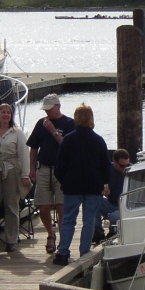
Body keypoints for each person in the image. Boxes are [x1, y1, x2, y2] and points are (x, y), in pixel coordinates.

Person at [53, 103, 110, 266]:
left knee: (69, 219)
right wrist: (104, 182)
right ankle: (84, 252)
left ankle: (63, 252)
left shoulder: (68, 140)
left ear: (76, 118)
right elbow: (106, 166)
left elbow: (60, 166)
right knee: (89, 220)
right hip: (93, 186)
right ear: (91, 118)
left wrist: (64, 181)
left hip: (72, 186)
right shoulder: (98, 140)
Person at [26, 93, 75, 254]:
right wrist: (31, 168)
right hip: (43, 168)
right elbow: (34, 147)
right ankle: (50, 234)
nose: (46, 112)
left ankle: (63, 240)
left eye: (49, 109)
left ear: (58, 106)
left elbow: (66, 145)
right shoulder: (41, 123)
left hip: (61, 169)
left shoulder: (69, 123)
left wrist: (53, 130)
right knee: (43, 206)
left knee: (61, 206)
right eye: (45, 109)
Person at [0, 103, 31, 252]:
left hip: (11, 170)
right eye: (3, 112)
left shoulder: (17, 133)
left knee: (11, 205)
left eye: (8, 113)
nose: (6, 115)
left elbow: (24, 154)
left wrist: (25, 175)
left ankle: (11, 239)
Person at [93, 148, 130, 243]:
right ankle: (98, 232)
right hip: (110, 203)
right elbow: (96, 183)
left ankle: (113, 231)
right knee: (93, 200)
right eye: (122, 166)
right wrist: (102, 189)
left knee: (114, 217)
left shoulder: (132, 171)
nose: (125, 168)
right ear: (114, 162)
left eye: (127, 165)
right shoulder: (106, 169)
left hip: (125, 206)